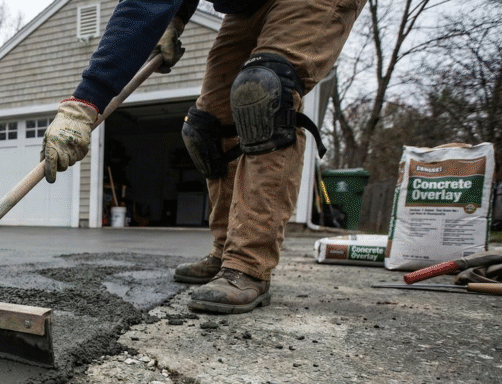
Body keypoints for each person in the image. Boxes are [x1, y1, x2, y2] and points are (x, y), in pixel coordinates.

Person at [41, 0, 365, 314]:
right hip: (245, 6)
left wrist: (85, 101)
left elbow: (143, 5)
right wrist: (175, 18)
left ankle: (249, 265)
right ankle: (225, 251)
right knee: (207, 124)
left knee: (264, 93)